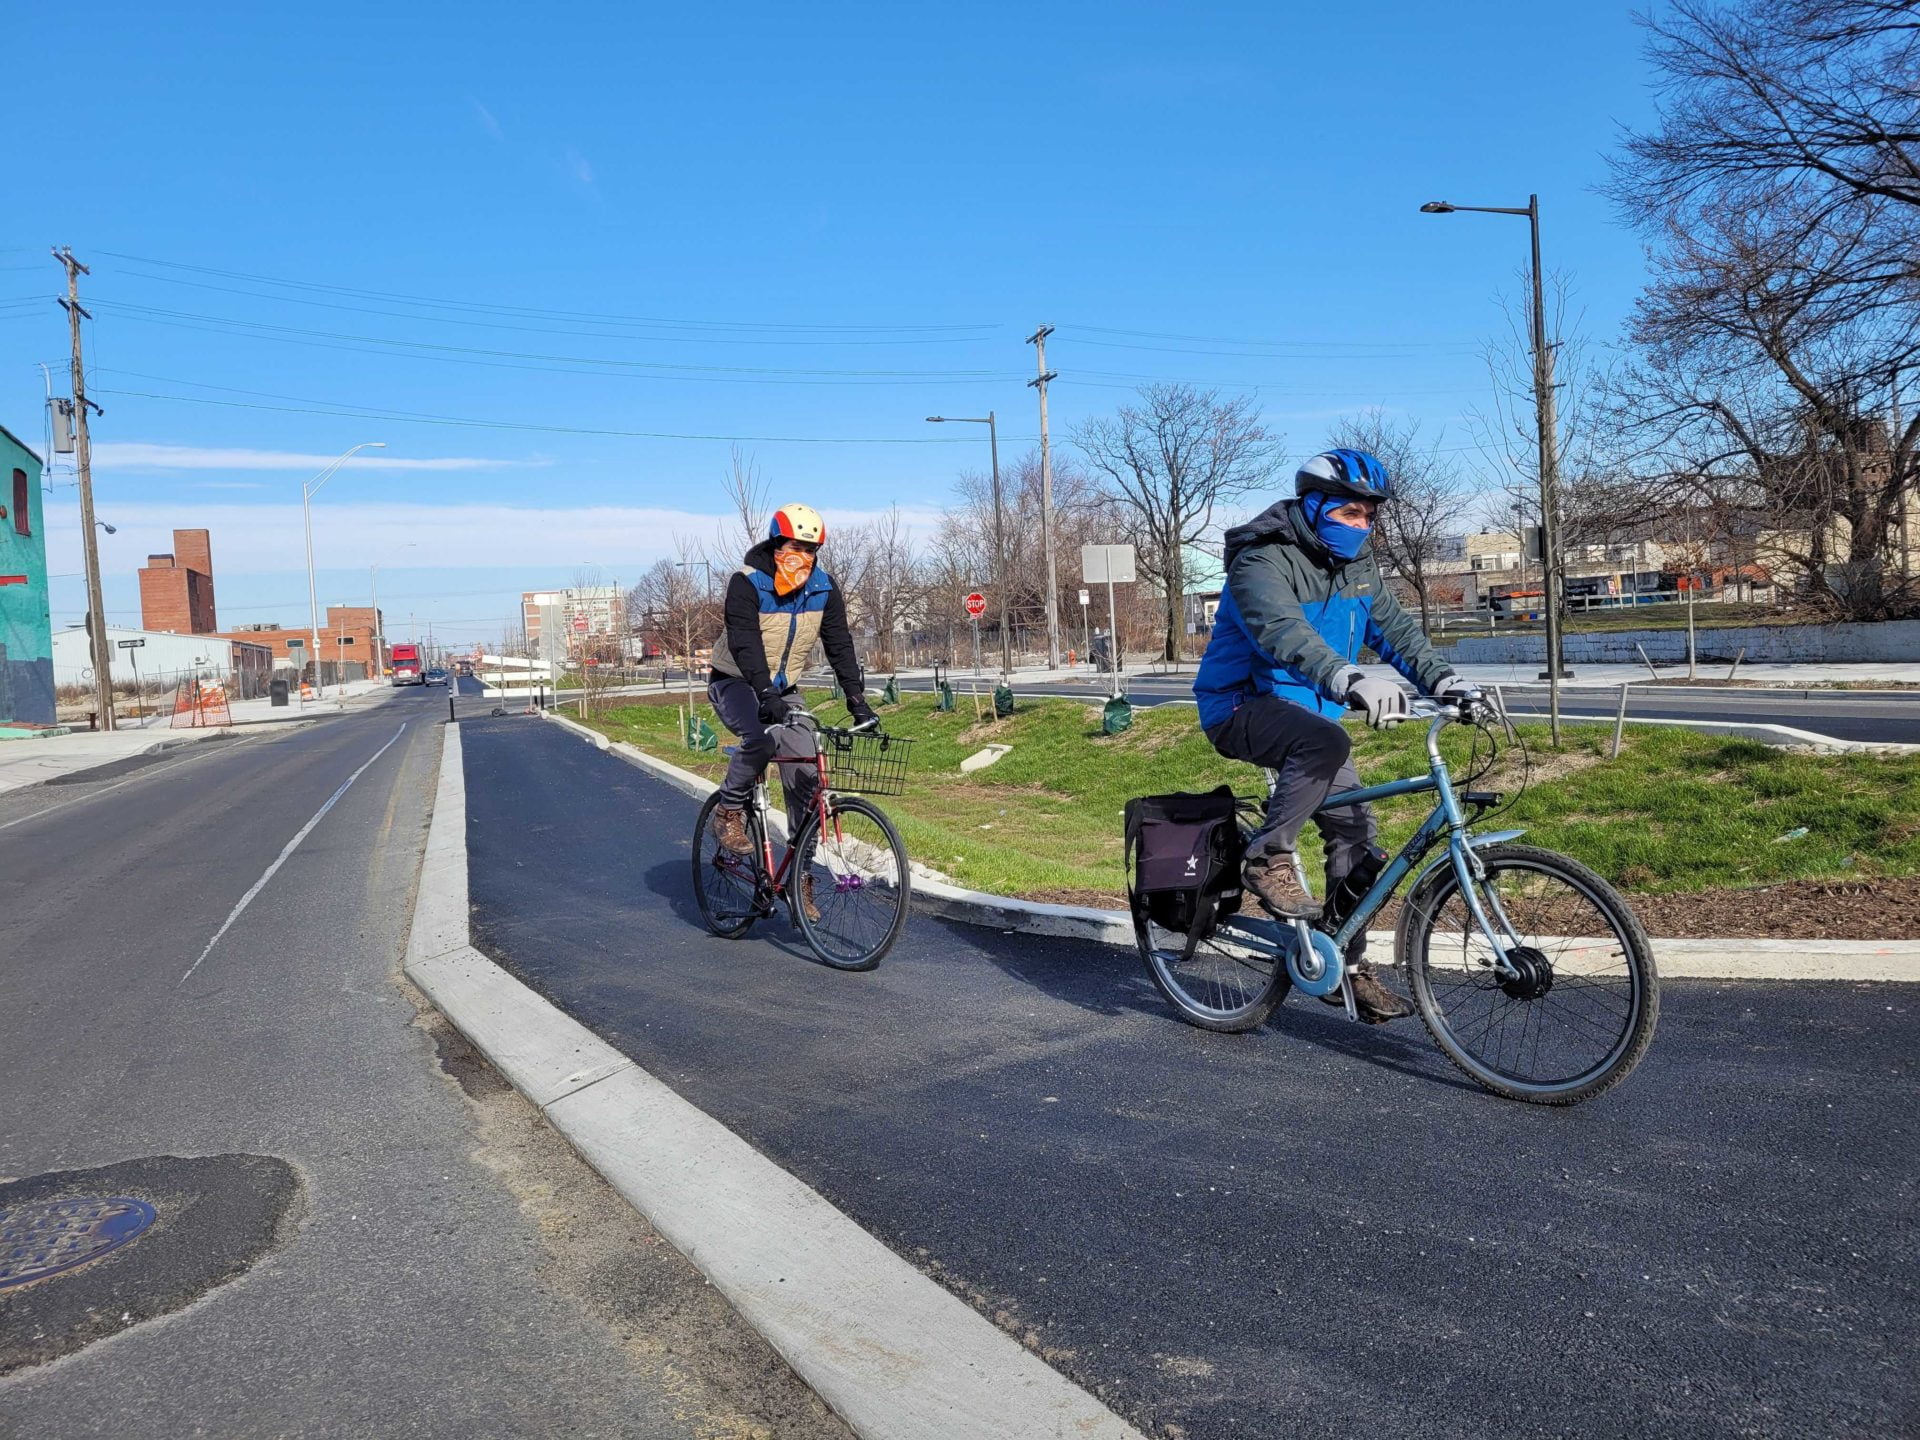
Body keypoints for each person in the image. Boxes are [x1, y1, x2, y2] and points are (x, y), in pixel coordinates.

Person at [1193, 448, 1479, 1023]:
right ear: (1314, 505)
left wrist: (1446, 680)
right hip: (1241, 704)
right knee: (1326, 744)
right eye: (1351, 514)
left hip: (1314, 717)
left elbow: (1396, 632)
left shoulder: (1358, 567)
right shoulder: (1260, 561)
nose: (1363, 527)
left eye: (1371, 517)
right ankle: (1266, 859)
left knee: (1360, 840)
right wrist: (1345, 675)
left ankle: (1342, 960)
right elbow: (1282, 632)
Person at [708, 504, 876, 902]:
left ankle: (799, 874)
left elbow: (839, 645)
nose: (802, 554)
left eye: (811, 547)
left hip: (784, 689)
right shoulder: (746, 583)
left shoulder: (823, 588)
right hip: (734, 682)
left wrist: (857, 699)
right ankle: (728, 811)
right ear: (776, 543)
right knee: (763, 740)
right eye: (794, 545)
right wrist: (764, 694)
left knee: (806, 775)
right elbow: (744, 643)